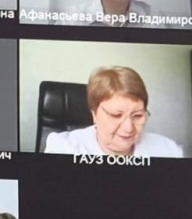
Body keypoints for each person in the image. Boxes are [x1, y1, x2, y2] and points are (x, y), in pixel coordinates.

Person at [44, 66, 183, 157]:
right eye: (116, 115)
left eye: (138, 115)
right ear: (94, 114)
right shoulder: (63, 147)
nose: (128, 128)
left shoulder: (169, 150)